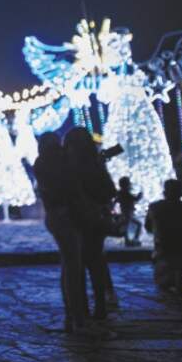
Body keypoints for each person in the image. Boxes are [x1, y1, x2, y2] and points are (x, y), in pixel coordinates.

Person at [33, 133, 88, 335]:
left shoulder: (42, 163)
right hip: (64, 215)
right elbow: (68, 186)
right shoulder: (56, 164)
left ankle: (72, 314)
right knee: (73, 266)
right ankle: (76, 315)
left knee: (69, 265)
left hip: (56, 216)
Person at [64, 127, 117, 320]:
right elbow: (110, 191)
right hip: (94, 218)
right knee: (95, 261)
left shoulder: (67, 167)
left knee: (77, 264)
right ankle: (100, 304)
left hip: (76, 219)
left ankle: (81, 308)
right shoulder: (94, 164)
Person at [145, 180, 182, 295]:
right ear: (181, 194)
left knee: (176, 259)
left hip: (165, 247)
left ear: (164, 193)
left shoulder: (154, 207)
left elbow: (148, 227)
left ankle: (174, 283)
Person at [115, 176, 142, 247]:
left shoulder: (120, 193)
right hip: (128, 213)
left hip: (124, 212)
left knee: (125, 226)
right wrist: (140, 195)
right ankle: (133, 240)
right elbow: (135, 199)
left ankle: (129, 241)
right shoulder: (126, 193)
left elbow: (116, 200)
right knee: (136, 225)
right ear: (127, 184)